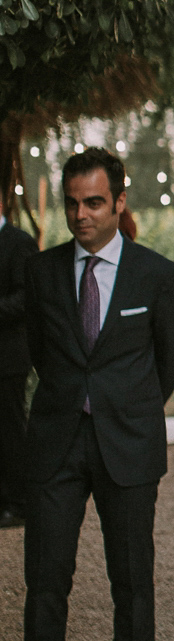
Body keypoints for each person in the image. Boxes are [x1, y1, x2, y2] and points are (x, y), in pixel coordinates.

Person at [12, 147, 174, 641]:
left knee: (131, 580)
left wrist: (130, 411)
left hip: (128, 446)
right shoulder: (42, 272)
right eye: (72, 204)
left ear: (119, 202)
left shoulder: (154, 273)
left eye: (93, 203)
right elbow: (40, 349)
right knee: (46, 584)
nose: (81, 215)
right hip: (57, 444)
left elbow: (171, 356)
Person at [0, 202, 37, 529]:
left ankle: (20, 501)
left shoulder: (19, 242)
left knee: (11, 429)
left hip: (8, 357)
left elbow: (26, 298)